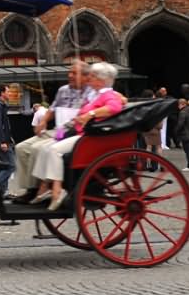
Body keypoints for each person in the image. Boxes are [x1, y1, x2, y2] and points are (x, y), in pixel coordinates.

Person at [32, 62, 127, 211]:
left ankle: (56, 188)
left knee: (52, 150)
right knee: (43, 147)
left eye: (92, 76)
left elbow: (114, 106)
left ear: (100, 80)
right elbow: (53, 109)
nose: (89, 78)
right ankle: (42, 186)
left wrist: (90, 114)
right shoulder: (87, 93)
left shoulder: (105, 94)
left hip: (85, 135)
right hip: (67, 128)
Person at [7, 61, 91, 200]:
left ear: (85, 76)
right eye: (69, 72)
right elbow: (52, 109)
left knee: (35, 149)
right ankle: (30, 188)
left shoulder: (91, 92)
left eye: (74, 73)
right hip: (58, 130)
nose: (69, 75)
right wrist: (44, 121)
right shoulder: (63, 90)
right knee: (21, 148)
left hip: (73, 133)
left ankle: (39, 189)